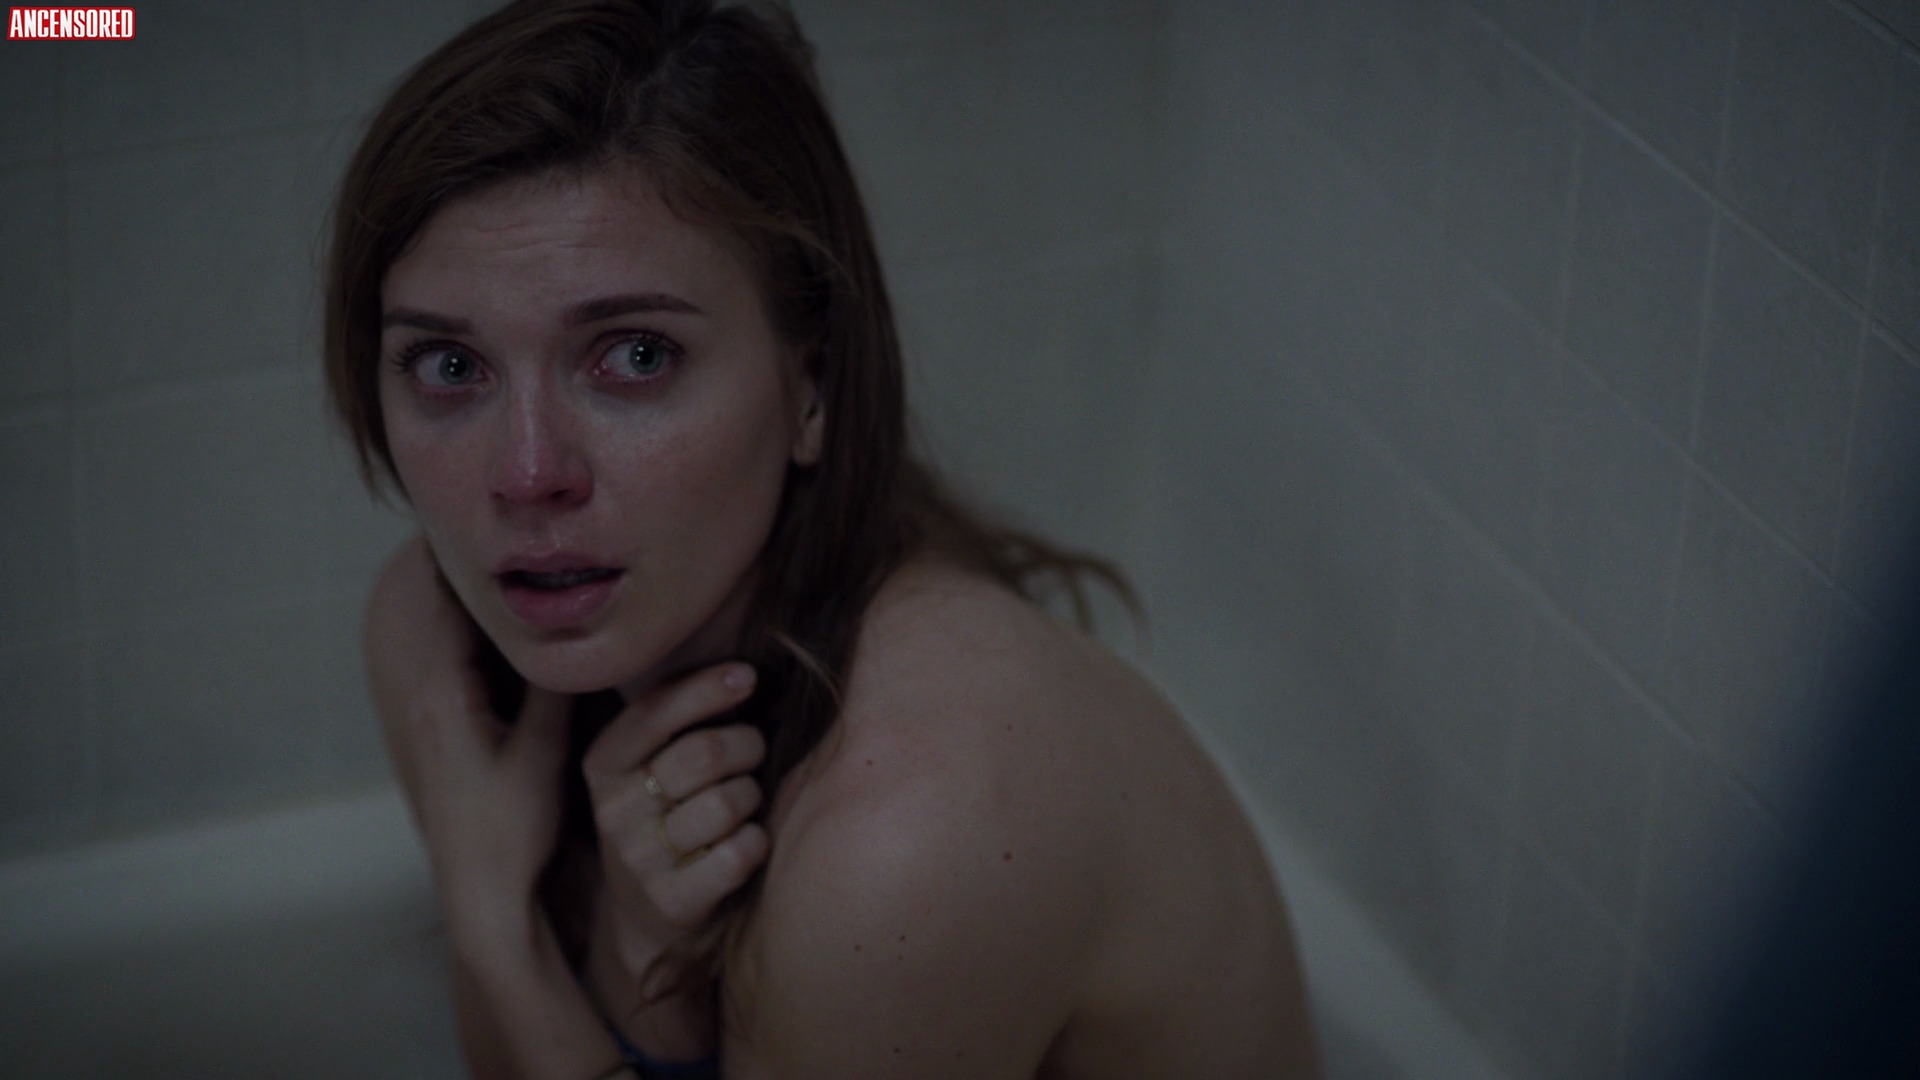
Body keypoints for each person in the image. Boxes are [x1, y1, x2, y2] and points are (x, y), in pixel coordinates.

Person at [328, 1, 1317, 1076]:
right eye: (451, 367)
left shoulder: (913, 824)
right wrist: (630, 951)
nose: (527, 477)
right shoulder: (437, 640)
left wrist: (496, 922)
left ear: (814, 384)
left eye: (637, 357)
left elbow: (515, 1010)